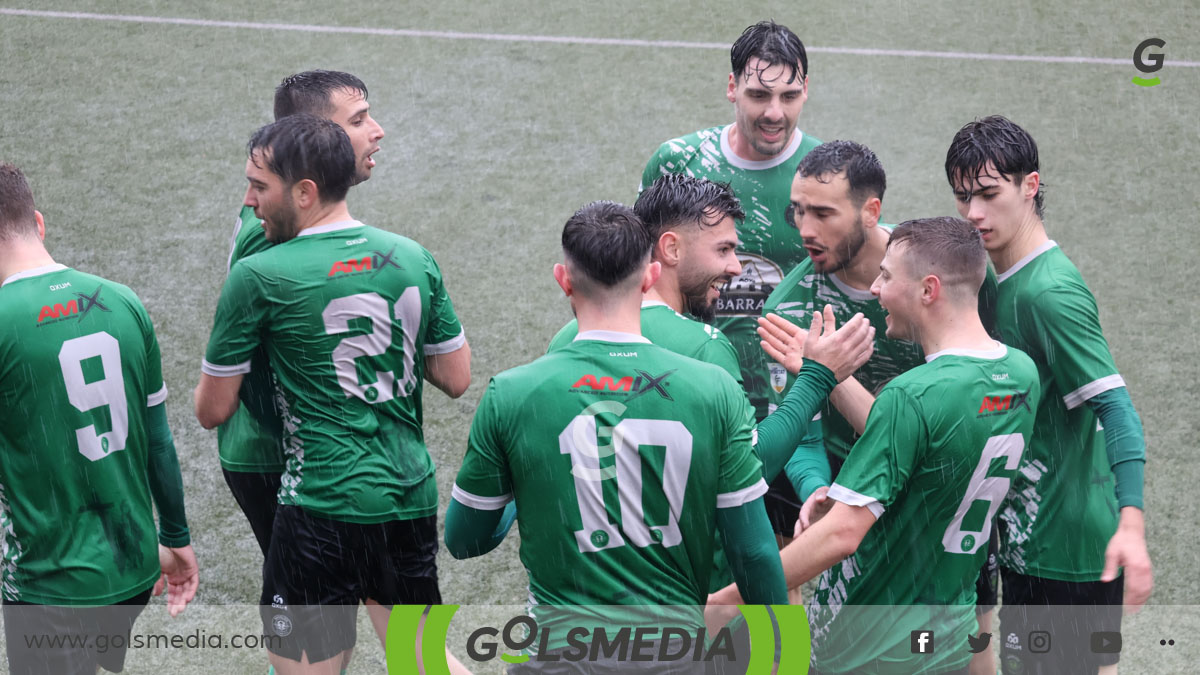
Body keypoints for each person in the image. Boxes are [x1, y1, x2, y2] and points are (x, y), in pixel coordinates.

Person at [445, 200, 789, 672]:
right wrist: (785, 651)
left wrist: (521, 488)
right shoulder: (713, 390)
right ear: (650, 276)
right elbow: (752, 551)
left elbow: (465, 539)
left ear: (563, 280)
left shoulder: (511, 394)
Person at [194, 114, 470, 674]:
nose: (249, 201)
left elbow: (212, 409)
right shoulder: (412, 256)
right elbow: (455, 375)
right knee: (419, 661)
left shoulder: (260, 275)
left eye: (259, 186)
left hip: (319, 507)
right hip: (408, 499)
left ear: (304, 192)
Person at [711, 216, 1041, 674]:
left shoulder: (911, 395)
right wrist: (824, 375)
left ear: (928, 290)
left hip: (870, 650)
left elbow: (842, 534)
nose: (875, 289)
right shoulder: (1021, 375)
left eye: (886, 276)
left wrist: (730, 599)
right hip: (943, 637)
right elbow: (932, 448)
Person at [548, 174, 873, 595]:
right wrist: (817, 378)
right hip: (694, 588)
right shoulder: (705, 347)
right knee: (777, 631)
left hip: (593, 583)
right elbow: (750, 466)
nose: (736, 267)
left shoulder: (565, 340)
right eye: (724, 249)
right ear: (671, 249)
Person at [945, 115, 1152, 675]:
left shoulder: (1049, 293)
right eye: (963, 197)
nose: (974, 213)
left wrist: (1132, 525)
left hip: (1065, 551)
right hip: (1031, 537)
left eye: (989, 194)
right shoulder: (999, 280)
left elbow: (1116, 408)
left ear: (1029, 186)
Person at [0, 163, 198, 674]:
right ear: (38, 223)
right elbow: (159, 440)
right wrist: (176, 539)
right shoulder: (123, 300)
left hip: (50, 581)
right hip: (132, 571)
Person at [220, 70, 386, 558]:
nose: (377, 131)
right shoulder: (273, 231)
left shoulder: (298, 216)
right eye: (358, 120)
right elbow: (245, 366)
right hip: (283, 458)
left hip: (312, 455)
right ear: (317, 138)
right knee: (317, 599)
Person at [640, 20, 821, 424]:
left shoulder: (827, 174)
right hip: (685, 386)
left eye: (789, 96)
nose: (774, 112)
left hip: (795, 399)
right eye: (758, 95)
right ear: (732, 87)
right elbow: (637, 271)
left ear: (806, 90)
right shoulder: (678, 162)